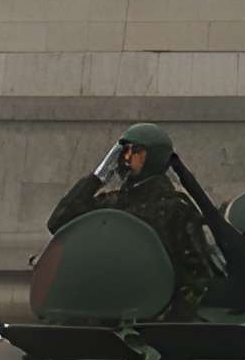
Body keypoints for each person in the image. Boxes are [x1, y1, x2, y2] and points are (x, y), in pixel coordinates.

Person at [47, 122, 214, 320]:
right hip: (107, 312)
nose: (126, 157)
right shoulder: (112, 203)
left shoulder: (176, 209)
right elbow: (59, 221)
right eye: (124, 151)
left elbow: (198, 277)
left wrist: (170, 323)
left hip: (155, 320)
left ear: (155, 155)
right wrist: (98, 176)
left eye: (136, 151)